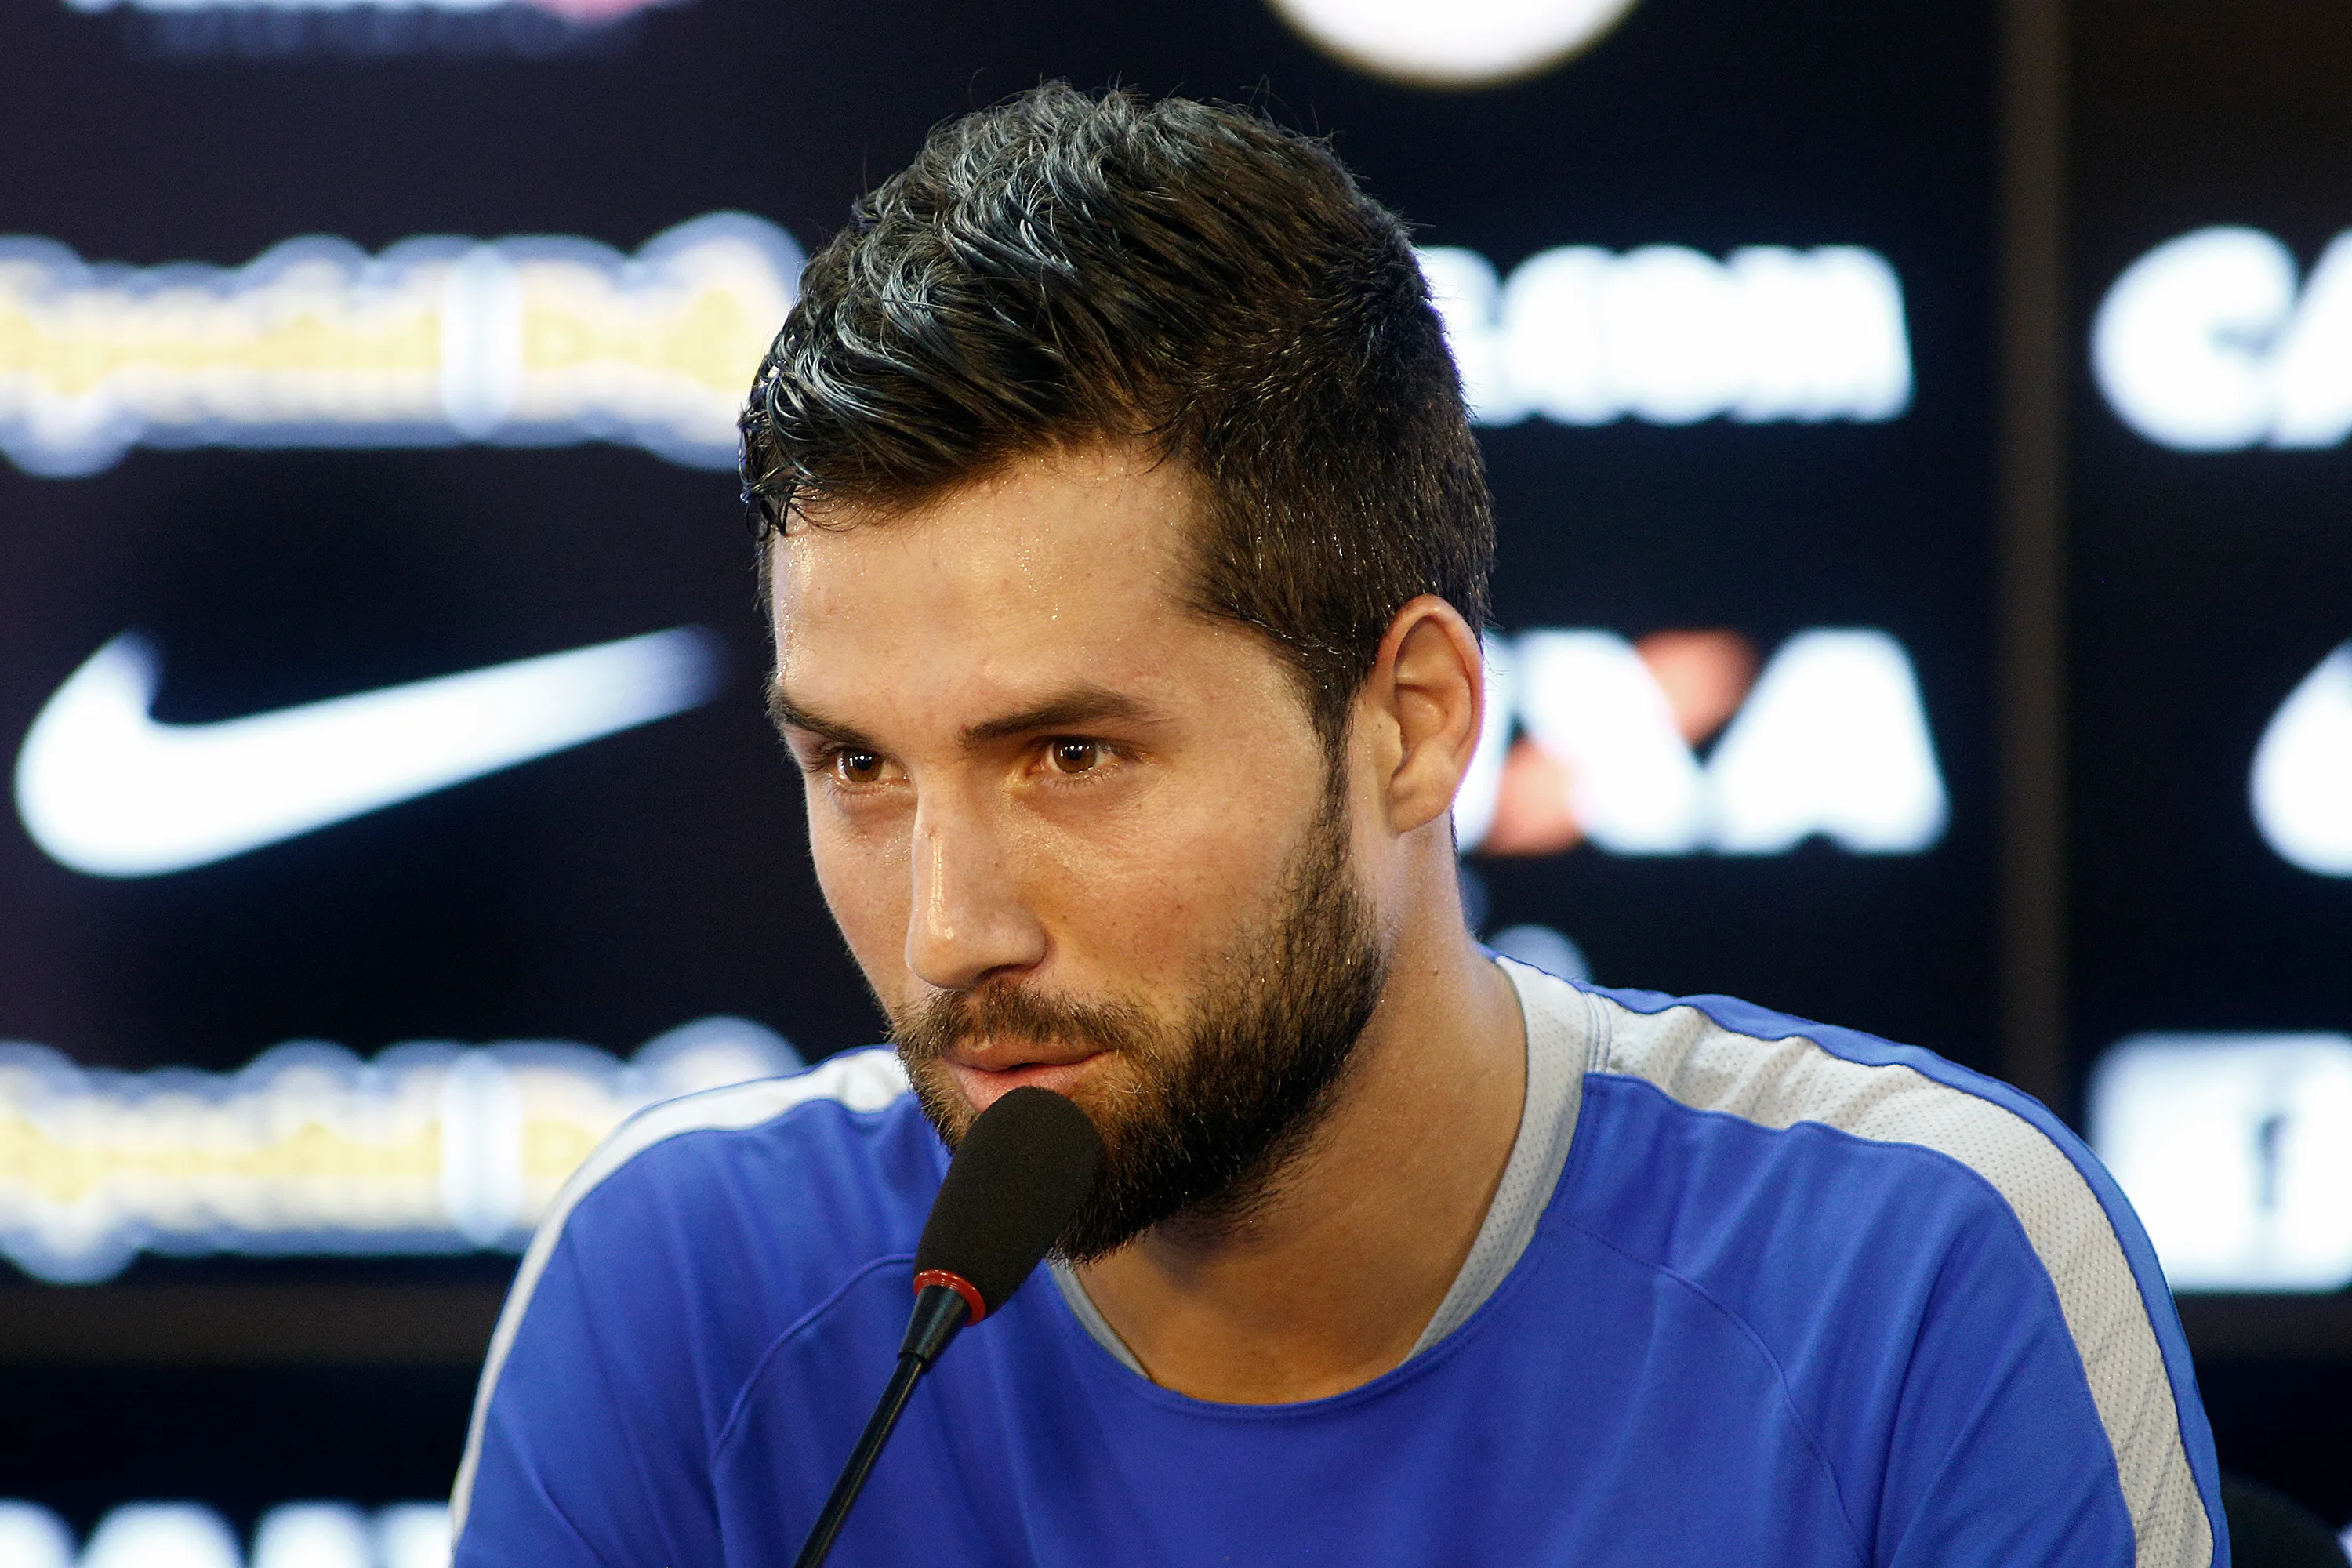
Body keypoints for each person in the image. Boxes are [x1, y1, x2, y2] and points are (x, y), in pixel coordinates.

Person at [450, 85, 2225, 1566]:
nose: (947, 934)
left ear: (1411, 722)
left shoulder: (1916, 1279)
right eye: (860, 769)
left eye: (1071, 754)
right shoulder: (680, 1288)